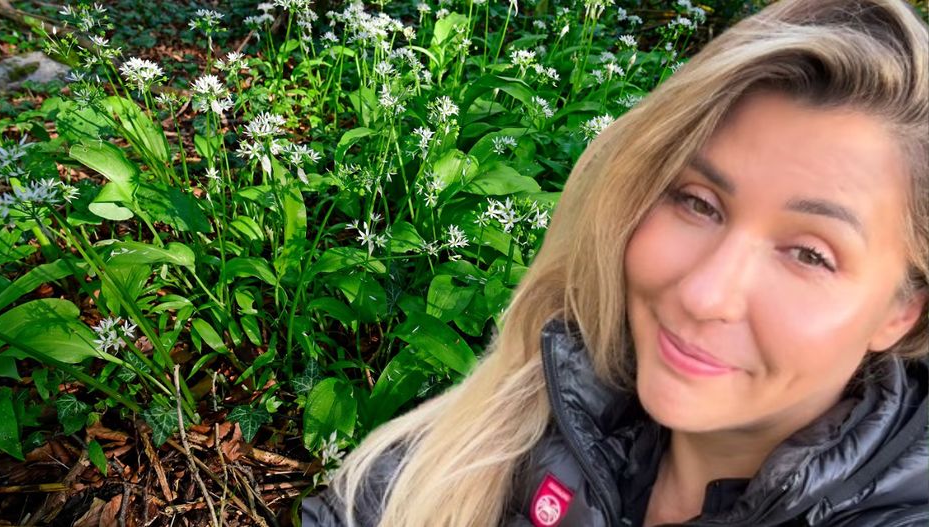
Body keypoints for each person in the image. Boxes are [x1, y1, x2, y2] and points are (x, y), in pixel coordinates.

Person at [300, 0, 929, 525]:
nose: (705, 294)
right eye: (698, 202)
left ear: (902, 311)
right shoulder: (535, 405)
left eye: (810, 254)